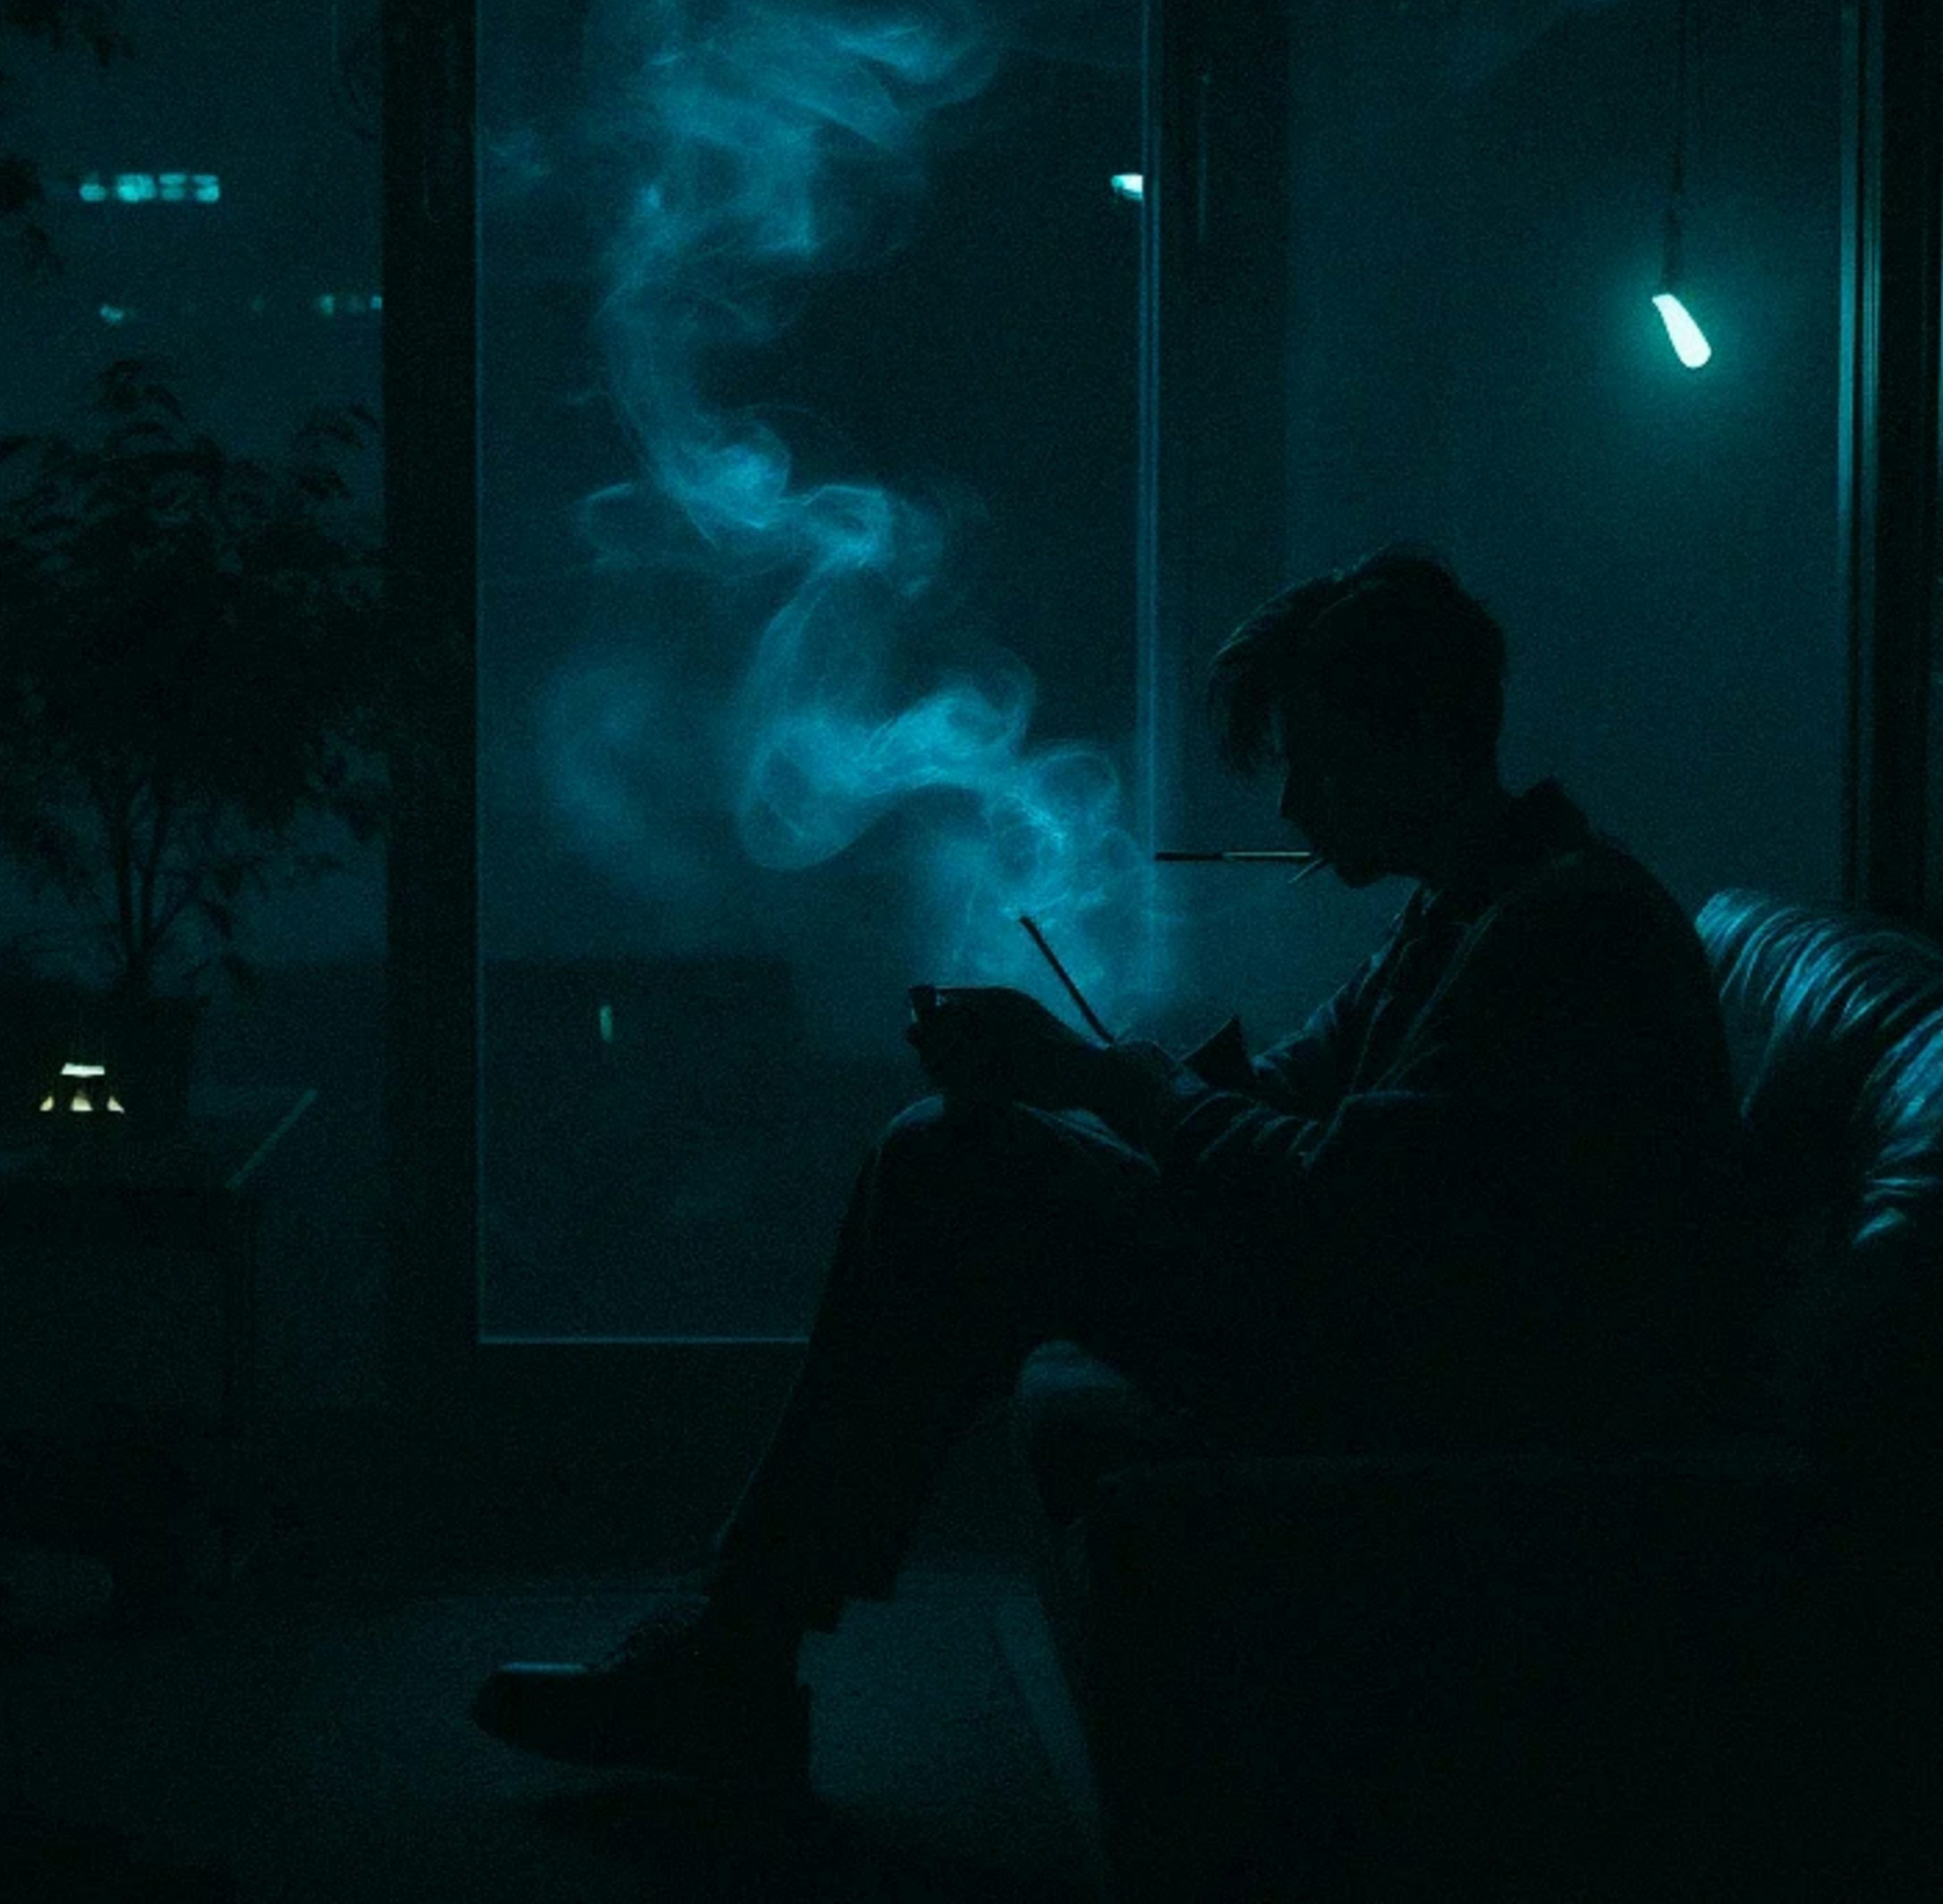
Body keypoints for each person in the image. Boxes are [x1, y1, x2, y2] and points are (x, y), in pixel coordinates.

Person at [471, 544, 1755, 1791]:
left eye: (1319, 761)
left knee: (950, 1164)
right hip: (1396, 1328)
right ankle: (739, 1640)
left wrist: (1099, 1086)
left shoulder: (1557, 928)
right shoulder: (1471, 905)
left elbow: (1346, 1201)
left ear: (1419, 734)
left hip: (1450, 1381)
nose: (1295, 803)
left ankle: (737, 1648)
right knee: (962, 1156)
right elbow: (1290, 1099)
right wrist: (1076, 1078)